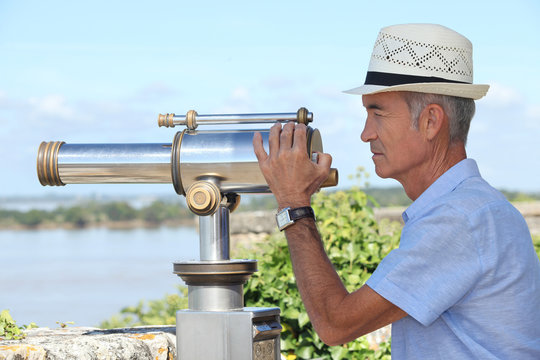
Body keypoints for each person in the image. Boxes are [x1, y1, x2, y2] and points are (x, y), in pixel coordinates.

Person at [253, 24, 540, 359]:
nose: (364, 133)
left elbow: (335, 324)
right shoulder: (469, 210)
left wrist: (294, 203)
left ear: (432, 121)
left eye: (378, 113)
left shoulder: (459, 220)